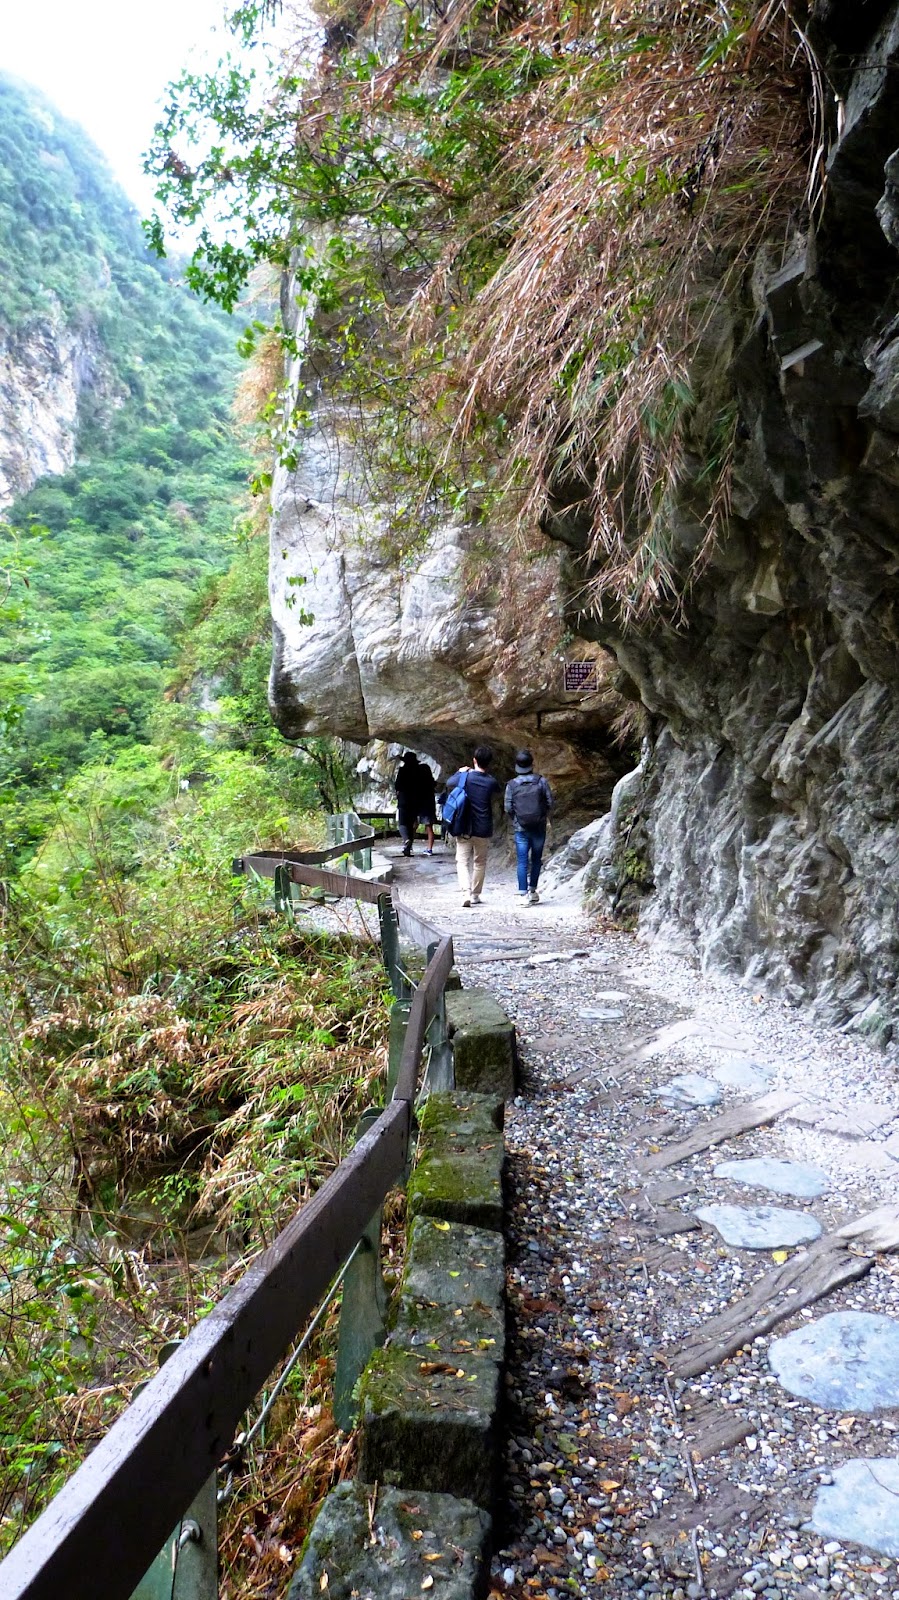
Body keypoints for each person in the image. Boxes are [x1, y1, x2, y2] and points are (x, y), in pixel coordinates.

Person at [445, 745, 501, 907]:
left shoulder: (465, 777)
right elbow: (498, 790)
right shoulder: (491, 782)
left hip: (464, 825)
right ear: (489, 763)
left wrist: (460, 772)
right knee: (480, 862)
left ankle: (465, 893)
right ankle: (475, 894)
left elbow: (449, 782)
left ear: (474, 760)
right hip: (483, 827)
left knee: (462, 861)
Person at [504, 748, 553, 905]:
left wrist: (517, 818)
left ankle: (522, 894)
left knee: (522, 860)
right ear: (532, 764)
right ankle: (533, 891)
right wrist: (541, 815)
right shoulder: (541, 781)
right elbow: (550, 802)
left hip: (521, 828)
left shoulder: (512, 785)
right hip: (539, 827)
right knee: (536, 859)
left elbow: (508, 807)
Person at [395, 751, 420, 857]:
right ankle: (408, 849)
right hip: (415, 800)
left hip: (403, 800)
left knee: (402, 823)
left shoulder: (402, 770)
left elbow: (397, 785)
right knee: (412, 824)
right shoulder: (417, 772)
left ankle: (406, 840)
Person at [414, 759, 437, 855]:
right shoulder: (431, 783)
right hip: (429, 808)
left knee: (413, 826)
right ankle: (429, 848)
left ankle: (408, 845)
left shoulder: (419, 783)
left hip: (420, 807)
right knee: (429, 828)